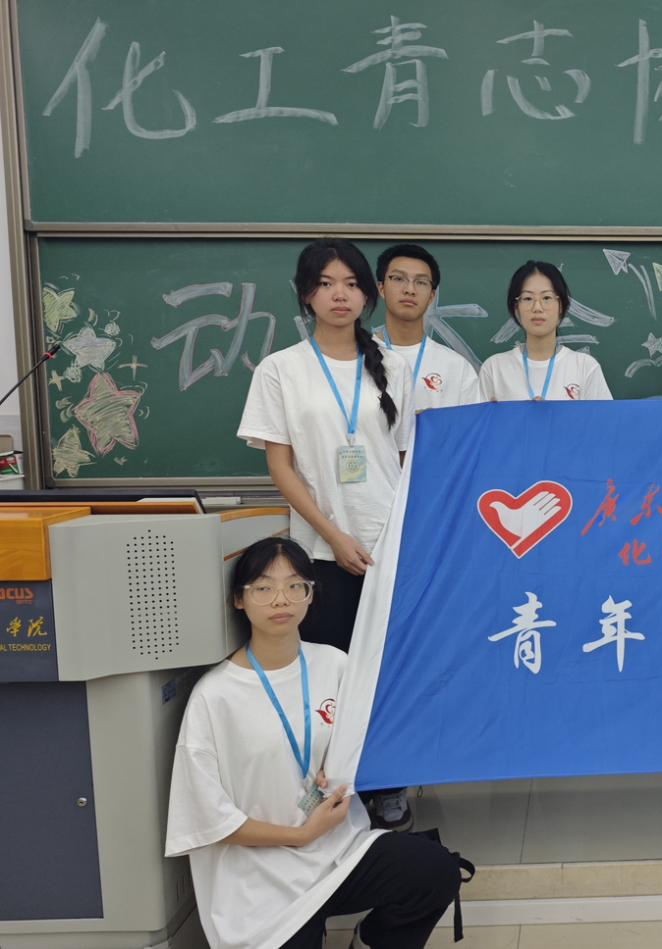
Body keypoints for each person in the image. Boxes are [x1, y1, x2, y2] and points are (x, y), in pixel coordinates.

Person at [165, 538, 463, 949]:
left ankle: (369, 941)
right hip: (259, 877)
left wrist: (347, 775)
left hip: (338, 851)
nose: (280, 599)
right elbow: (209, 820)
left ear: (310, 594)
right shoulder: (214, 696)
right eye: (263, 588)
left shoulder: (335, 664)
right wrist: (302, 835)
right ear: (239, 600)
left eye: (295, 586)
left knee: (434, 871)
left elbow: (376, 745)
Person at [238, 238, 411, 652]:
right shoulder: (280, 369)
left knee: (391, 668)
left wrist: (402, 537)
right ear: (305, 293)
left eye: (351, 284)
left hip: (392, 548)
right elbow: (280, 467)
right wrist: (335, 537)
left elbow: (406, 459)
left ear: (367, 294)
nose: (340, 294)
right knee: (332, 664)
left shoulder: (393, 366)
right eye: (326, 283)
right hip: (321, 550)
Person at [478, 260, 612, 401]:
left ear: (561, 306)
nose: (537, 307)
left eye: (546, 297)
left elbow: (603, 415)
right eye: (528, 298)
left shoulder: (585, 367)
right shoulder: (494, 369)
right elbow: (479, 415)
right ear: (516, 308)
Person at [374, 242, 484, 412]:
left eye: (421, 282)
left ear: (431, 296)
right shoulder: (356, 357)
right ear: (381, 288)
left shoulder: (456, 367)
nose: (410, 289)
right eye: (398, 279)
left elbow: (471, 425)